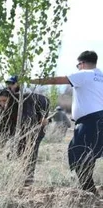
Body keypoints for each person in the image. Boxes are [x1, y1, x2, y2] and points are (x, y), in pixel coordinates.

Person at [31, 50, 102, 193]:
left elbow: (57, 80)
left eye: (78, 65)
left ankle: (89, 191)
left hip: (90, 121)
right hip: (98, 120)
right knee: (89, 154)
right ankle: (89, 189)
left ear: (81, 64)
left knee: (79, 153)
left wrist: (33, 80)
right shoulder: (101, 75)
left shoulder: (84, 74)